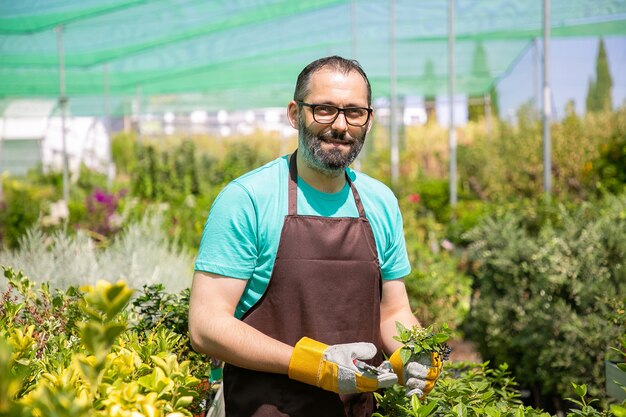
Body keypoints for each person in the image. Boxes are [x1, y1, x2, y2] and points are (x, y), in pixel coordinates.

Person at [189, 56, 442, 417]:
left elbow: (394, 310)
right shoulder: (250, 199)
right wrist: (312, 364)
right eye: (324, 109)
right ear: (295, 114)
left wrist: (413, 351)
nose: (340, 125)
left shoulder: (380, 202)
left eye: (355, 112)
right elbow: (206, 325)